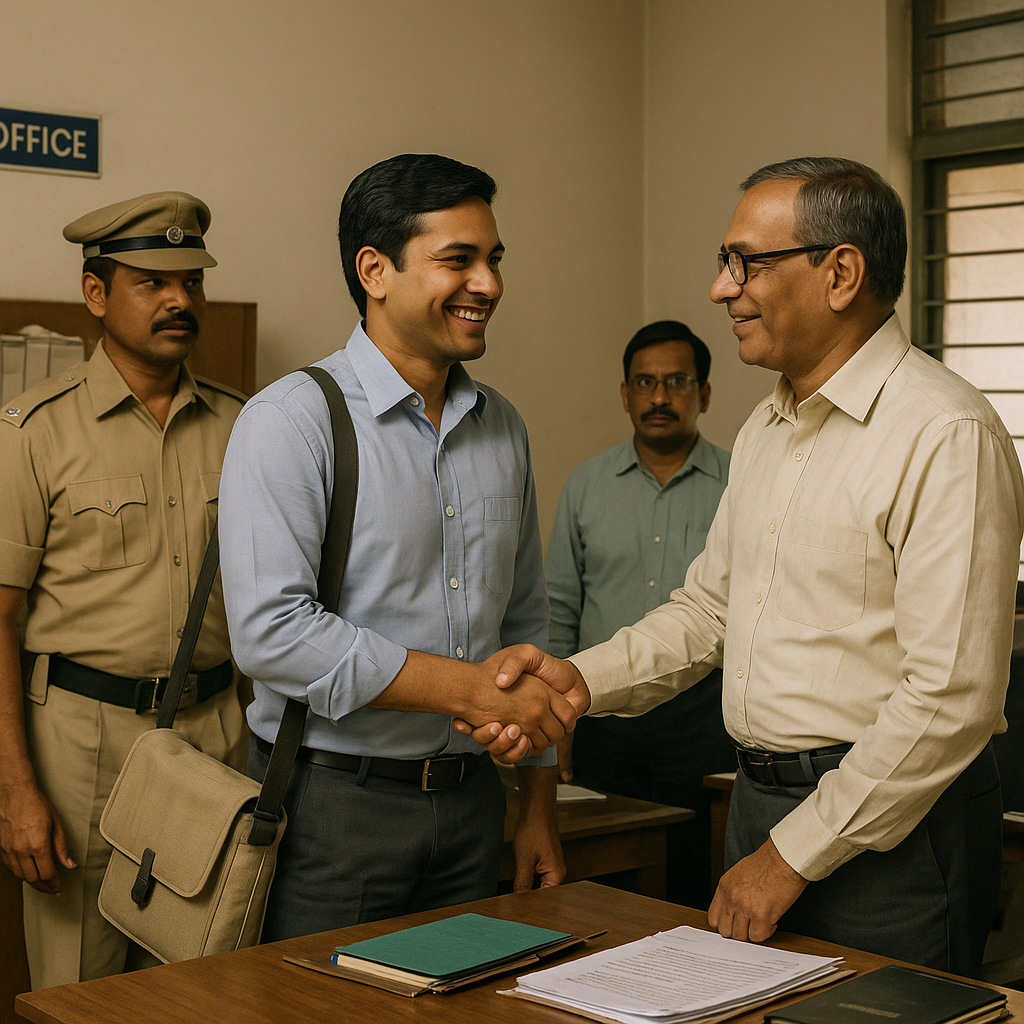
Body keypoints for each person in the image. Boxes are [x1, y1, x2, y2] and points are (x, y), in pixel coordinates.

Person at [461, 157, 1024, 977]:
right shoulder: (768, 426)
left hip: (893, 829)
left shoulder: (945, 433)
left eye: (745, 263)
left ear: (840, 274)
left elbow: (950, 700)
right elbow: (710, 612)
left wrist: (790, 857)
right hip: (758, 803)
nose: (721, 288)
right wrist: (576, 682)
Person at [217, 153, 572, 942]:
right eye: (459, 260)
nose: (489, 284)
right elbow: (272, 633)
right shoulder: (291, 420)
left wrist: (537, 805)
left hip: (474, 804)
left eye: (494, 259)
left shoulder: (503, 427)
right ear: (375, 270)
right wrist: (468, 692)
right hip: (333, 810)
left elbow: (525, 625)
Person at [0, 192, 247, 988]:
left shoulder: (247, 428)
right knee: (80, 989)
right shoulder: (33, 432)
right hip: (82, 747)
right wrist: (16, 790)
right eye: (153, 282)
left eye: (192, 282)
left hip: (215, 735)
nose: (180, 300)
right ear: (96, 294)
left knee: (205, 987)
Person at [546, 319, 733, 907]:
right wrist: (557, 721)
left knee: (696, 871)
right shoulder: (586, 485)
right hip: (601, 713)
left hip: (705, 715)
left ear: (704, 393)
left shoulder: (742, 484)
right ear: (625, 394)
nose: (659, 397)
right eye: (645, 383)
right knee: (603, 872)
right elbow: (559, 606)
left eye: (677, 381)